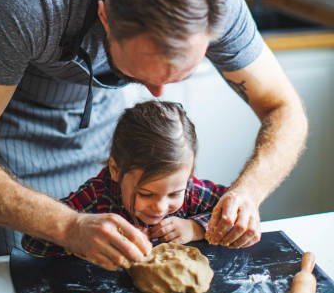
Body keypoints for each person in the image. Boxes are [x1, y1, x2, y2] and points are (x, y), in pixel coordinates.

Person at [0, 0, 307, 268]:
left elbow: (285, 108)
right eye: (141, 74)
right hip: (6, 139)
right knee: (23, 288)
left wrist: (248, 194)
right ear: (105, 18)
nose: (158, 93)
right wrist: (67, 225)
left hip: (98, 133)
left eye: (179, 76)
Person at [22, 100, 227, 259]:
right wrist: (80, 235)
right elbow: (33, 243)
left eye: (174, 194)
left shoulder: (190, 191)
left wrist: (194, 228)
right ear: (115, 171)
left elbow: (234, 208)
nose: (160, 207)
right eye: (146, 194)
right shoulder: (97, 196)